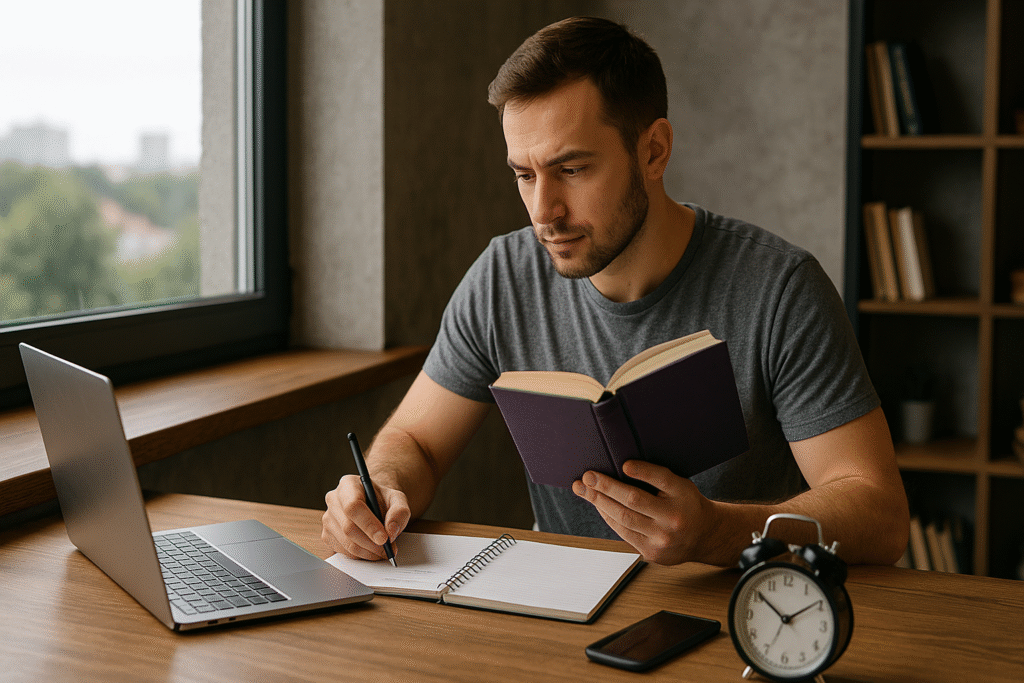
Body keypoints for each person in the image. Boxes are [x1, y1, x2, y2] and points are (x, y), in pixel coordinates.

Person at [322, 16, 909, 567]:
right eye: (524, 175)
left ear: (653, 150)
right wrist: (379, 489)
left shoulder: (779, 289)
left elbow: (879, 514)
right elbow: (416, 443)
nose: (543, 211)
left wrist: (716, 532)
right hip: (562, 618)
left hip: (740, 611)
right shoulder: (503, 276)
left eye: (572, 170)